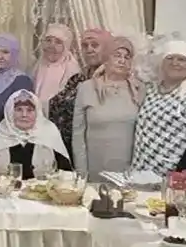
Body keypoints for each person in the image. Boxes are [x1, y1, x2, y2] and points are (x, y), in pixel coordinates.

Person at [129, 41, 186, 176]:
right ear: (161, 63)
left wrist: (179, 174)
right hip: (140, 172)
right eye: (169, 58)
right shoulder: (150, 89)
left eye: (182, 59)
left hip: (176, 176)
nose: (175, 63)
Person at [72, 36, 142, 182]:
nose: (122, 60)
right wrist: (82, 173)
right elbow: (78, 135)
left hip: (128, 172)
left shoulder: (139, 89)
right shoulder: (86, 88)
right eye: (117, 55)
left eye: (127, 57)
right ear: (106, 58)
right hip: (95, 170)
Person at [51, 27, 114, 160]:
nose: (89, 49)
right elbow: (56, 105)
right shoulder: (78, 78)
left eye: (95, 45)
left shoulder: (112, 80)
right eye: (85, 46)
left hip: (95, 152)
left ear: (107, 49)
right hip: (67, 149)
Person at [0, 89, 72, 179]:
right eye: (18, 110)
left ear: (37, 113)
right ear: (10, 112)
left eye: (30, 110)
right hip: (5, 188)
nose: (24, 115)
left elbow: (66, 173)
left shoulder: (49, 132)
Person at [0, 34, 35, 138]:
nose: (0, 56)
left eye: (5, 52)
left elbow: (23, 118)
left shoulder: (21, 81)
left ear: (14, 54)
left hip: (7, 139)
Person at [33, 23, 81, 109]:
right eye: (48, 40)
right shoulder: (39, 64)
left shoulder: (72, 69)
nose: (51, 46)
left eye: (58, 42)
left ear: (65, 46)